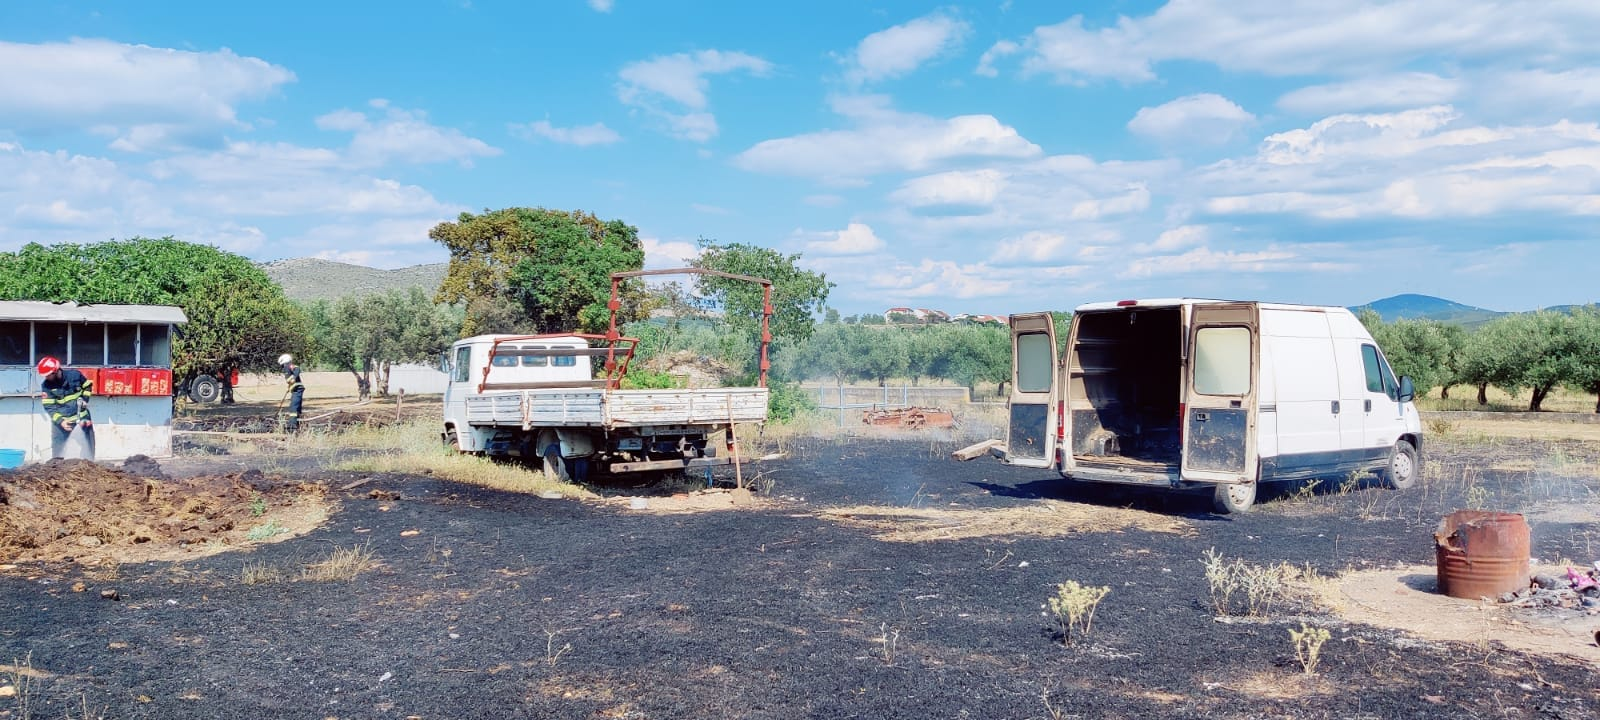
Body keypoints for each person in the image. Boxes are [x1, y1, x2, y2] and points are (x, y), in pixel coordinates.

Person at [36, 355, 96, 460]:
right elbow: (49, 407)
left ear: (55, 371)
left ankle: (90, 466)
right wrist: (61, 421)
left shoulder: (75, 376)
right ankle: (57, 470)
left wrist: (85, 399)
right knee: (58, 455)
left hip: (82, 418)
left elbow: (87, 386)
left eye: (47, 375)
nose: (46, 378)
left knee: (89, 448)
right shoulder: (46, 386)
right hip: (62, 422)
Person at [279, 353, 304, 432]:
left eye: (282, 365)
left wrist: (294, 377)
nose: (282, 367)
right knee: (297, 407)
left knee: (293, 407)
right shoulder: (287, 368)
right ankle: (298, 423)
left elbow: (297, 369)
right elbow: (290, 381)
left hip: (297, 389)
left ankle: (292, 425)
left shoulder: (289, 366)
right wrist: (289, 387)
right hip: (295, 390)